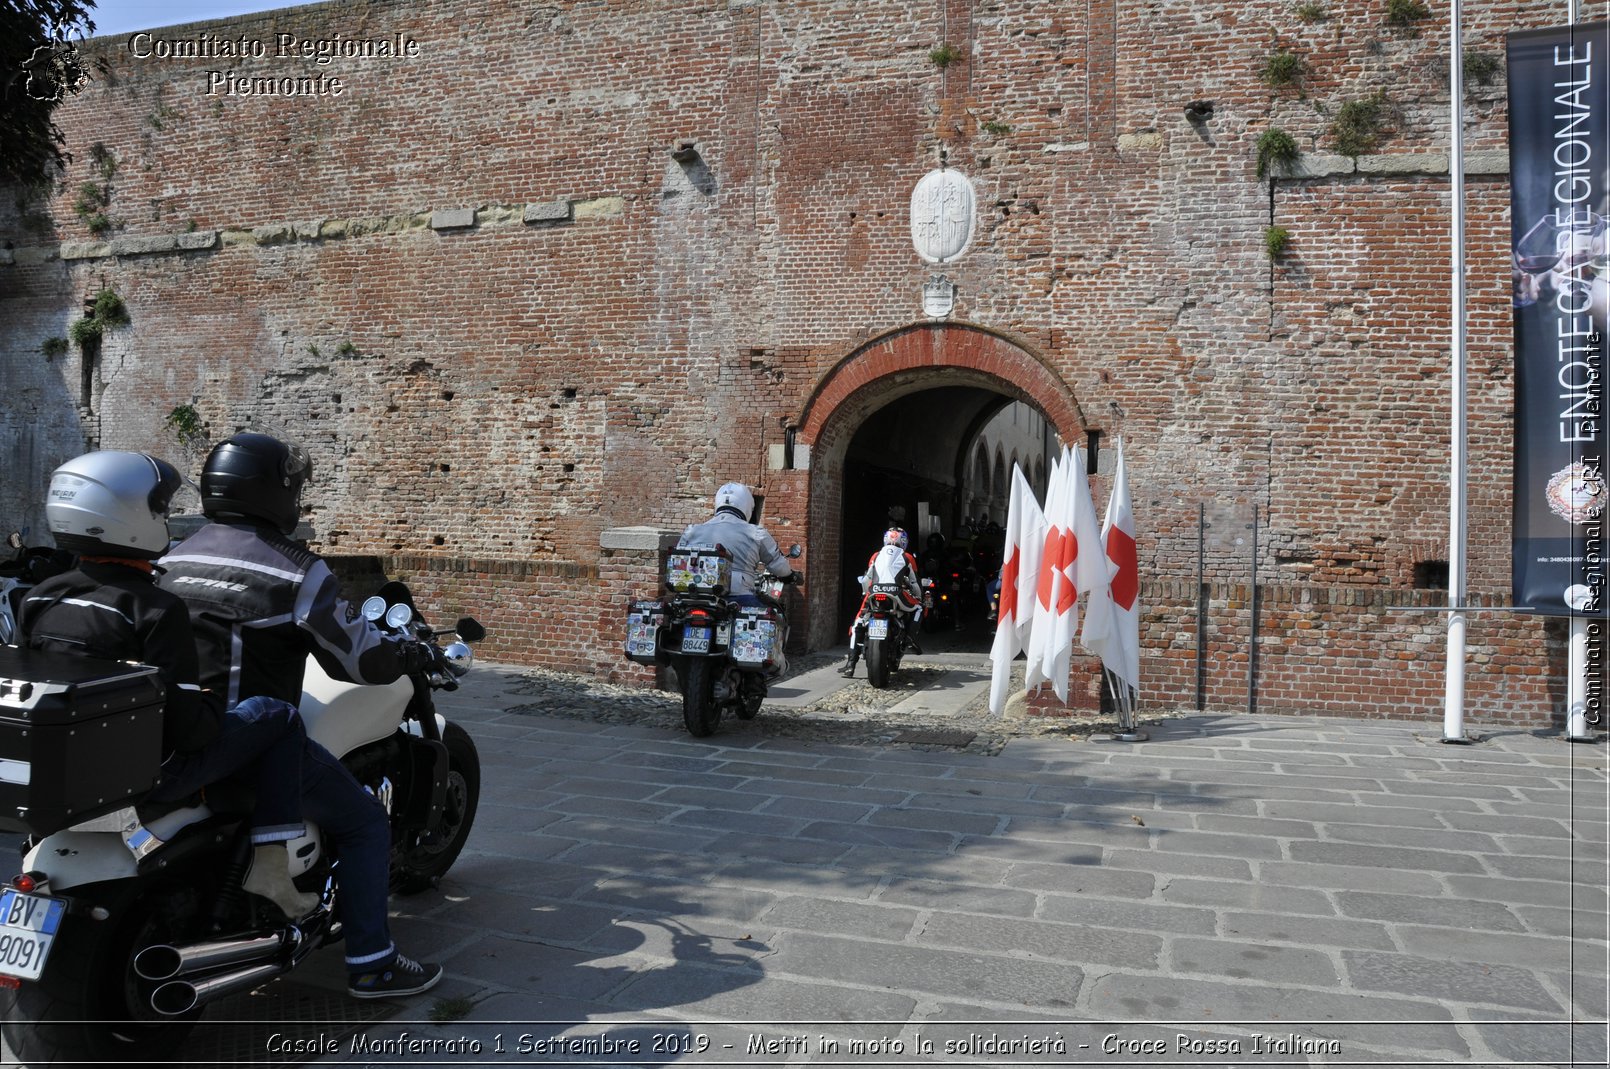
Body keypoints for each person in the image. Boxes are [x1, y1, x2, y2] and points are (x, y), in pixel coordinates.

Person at [157, 432, 442, 1000]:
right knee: (365, 824)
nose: (298, 500)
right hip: (249, 746)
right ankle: (372, 963)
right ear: (273, 492)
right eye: (294, 489)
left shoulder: (171, 557)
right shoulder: (296, 572)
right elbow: (358, 662)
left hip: (169, 735)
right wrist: (408, 652)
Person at [18, 450, 317, 920]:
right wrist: (211, 704)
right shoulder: (154, 608)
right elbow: (191, 731)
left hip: (69, 764)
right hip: (152, 768)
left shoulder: (38, 597)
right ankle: (271, 865)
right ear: (129, 517)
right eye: (159, 508)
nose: (166, 517)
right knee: (277, 715)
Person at [677, 482, 799, 605]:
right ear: (747, 505)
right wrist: (789, 575)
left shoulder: (692, 530)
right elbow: (776, 563)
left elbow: (678, 559)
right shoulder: (755, 533)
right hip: (738, 595)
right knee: (768, 617)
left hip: (694, 595)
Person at [838, 526, 924, 678]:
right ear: (903, 541)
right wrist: (919, 597)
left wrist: (866, 593)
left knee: (858, 622)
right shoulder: (907, 557)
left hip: (874, 592)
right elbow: (914, 582)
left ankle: (850, 664)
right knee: (918, 608)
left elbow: (866, 579)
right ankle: (910, 638)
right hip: (896, 592)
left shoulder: (876, 555)